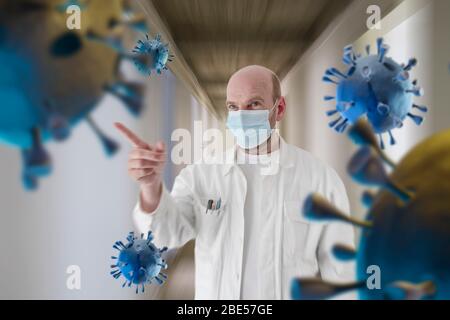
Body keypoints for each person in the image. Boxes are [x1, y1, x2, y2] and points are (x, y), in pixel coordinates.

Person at [115, 65, 356, 300]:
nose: (241, 116)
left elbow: (340, 273)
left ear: (279, 108)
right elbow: (165, 236)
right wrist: (150, 185)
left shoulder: (320, 179)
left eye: (253, 104)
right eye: (233, 106)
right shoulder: (201, 175)